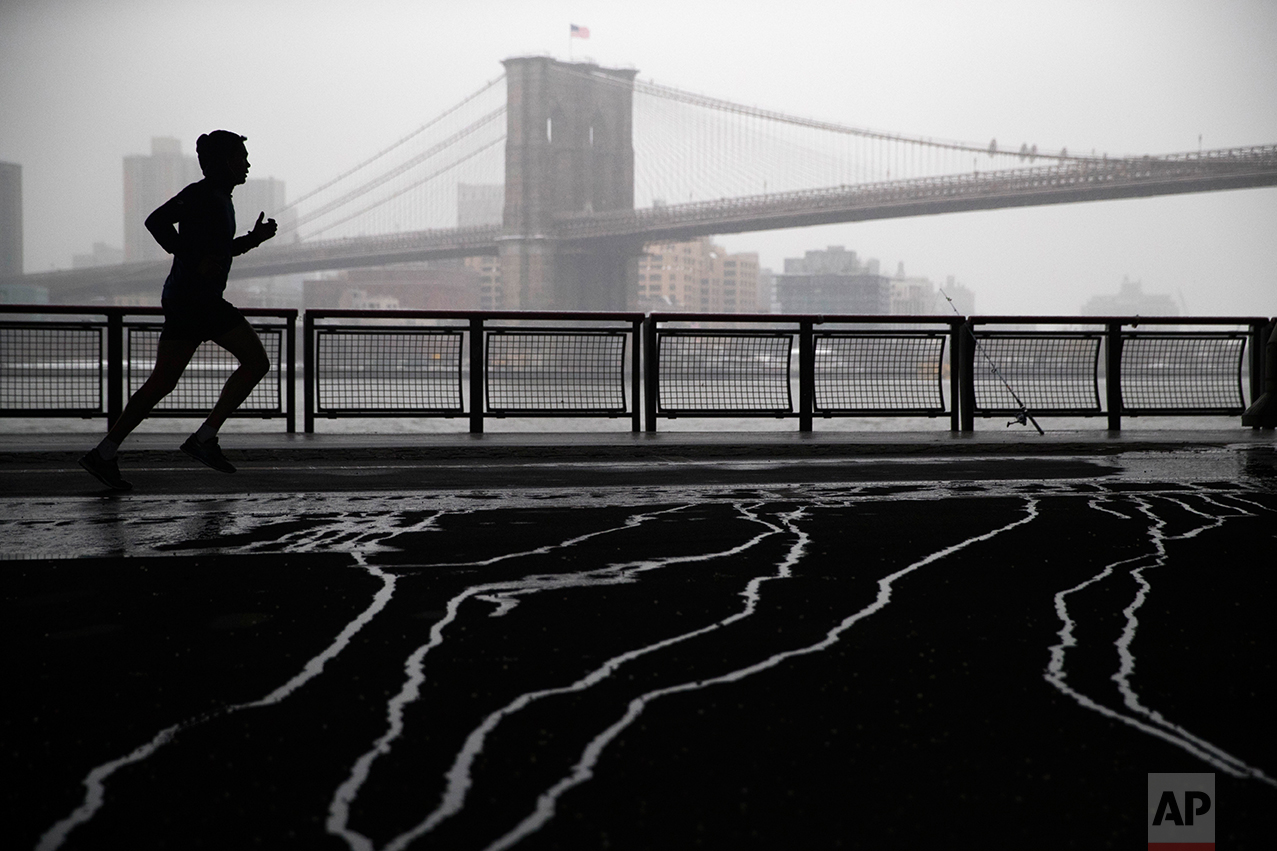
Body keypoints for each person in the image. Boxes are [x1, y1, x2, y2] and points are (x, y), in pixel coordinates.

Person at [79, 130, 278, 491]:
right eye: (241, 156)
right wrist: (193, 258)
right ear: (222, 162)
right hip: (196, 300)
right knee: (256, 362)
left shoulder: (220, 198)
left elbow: (219, 251)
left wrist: (254, 239)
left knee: (162, 382)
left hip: (186, 299)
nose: (247, 163)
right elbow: (155, 221)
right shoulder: (202, 194)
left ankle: (103, 453)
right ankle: (204, 438)